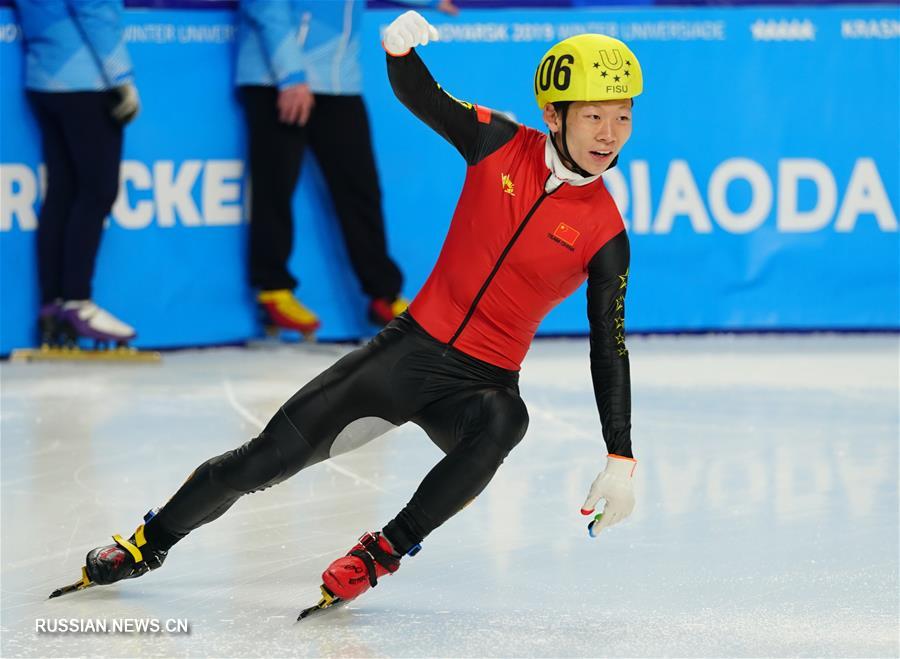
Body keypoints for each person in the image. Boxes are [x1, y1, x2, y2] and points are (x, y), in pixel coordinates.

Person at [60, 12, 642, 613]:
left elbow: (610, 348)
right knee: (262, 462)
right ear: (554, 115)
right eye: (594, 116)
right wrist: (398, 54)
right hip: (406, 353)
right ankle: (147, 543)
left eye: (622, 117)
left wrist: (620, 455)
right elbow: (424, 96)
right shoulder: (498, 143)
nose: (610, 134)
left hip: (480, 385)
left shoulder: (606, 235)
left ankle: (381, 552)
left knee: (506, 420)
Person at [237, 0, 457, 337]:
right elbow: (267, 7)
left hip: (338, 78)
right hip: (276, 77)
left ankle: (383, 294)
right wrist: (291, 75)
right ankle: (272, 289)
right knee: (275, 185)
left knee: (360, 189)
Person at [15, 0, 140, 347]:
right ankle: (77, 303)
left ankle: (53, 307)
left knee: (63, 191)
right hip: (87, 79)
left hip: (44, 77)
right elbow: (94, 9)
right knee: (97, 190)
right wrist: (121, 76)